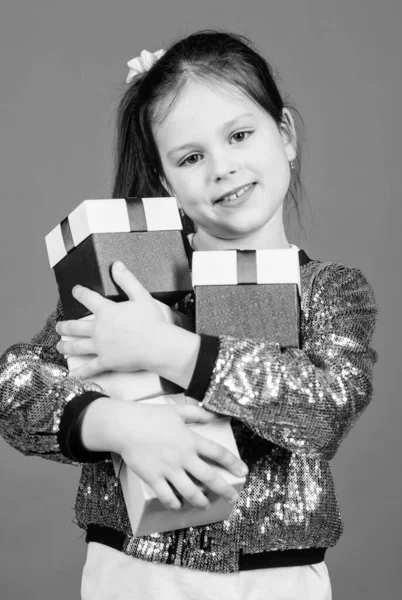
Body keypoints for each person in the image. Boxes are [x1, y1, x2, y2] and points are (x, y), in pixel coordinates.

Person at [0, 30, 377, 600]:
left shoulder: (329, 290)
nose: (222, 168)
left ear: (286, 135)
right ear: (164, 182)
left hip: (277, 580)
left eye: (241, 135)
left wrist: (167, 348)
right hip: (130, 572)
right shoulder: (129, 276)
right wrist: (121, 427)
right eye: (192, 157)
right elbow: (16, 387)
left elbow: (325, 408)